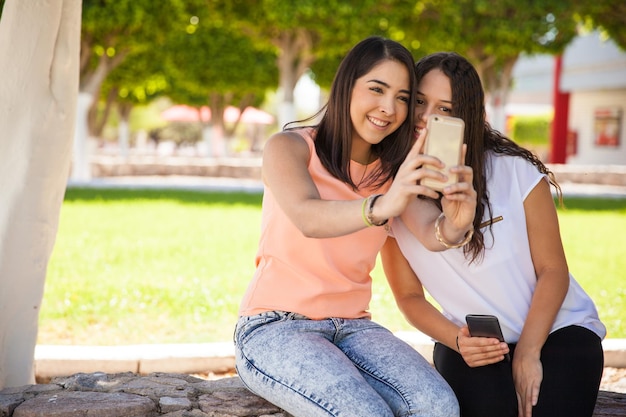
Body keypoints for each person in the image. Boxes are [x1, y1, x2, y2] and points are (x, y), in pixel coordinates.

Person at [233, 37, 466, 417]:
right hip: (275, 326)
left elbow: (433, 233)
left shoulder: (395, 172)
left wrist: (458, 220)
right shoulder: (289, 148)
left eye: (403, 97)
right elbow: (309, 218)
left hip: (356, 329)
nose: (389, 108)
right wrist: (383, 205)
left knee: (438, 405)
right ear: (347, 87)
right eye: (377, 89)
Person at [383, 52, 606, 417]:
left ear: (466, 116)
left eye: (446, 108)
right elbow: (409, 297)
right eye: (420, 102)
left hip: (558, 330)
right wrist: (457, 340)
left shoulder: (514, 170)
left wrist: (529, 353)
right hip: (471, 341)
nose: (427, 118)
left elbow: (553, 270)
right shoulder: (389, 197)